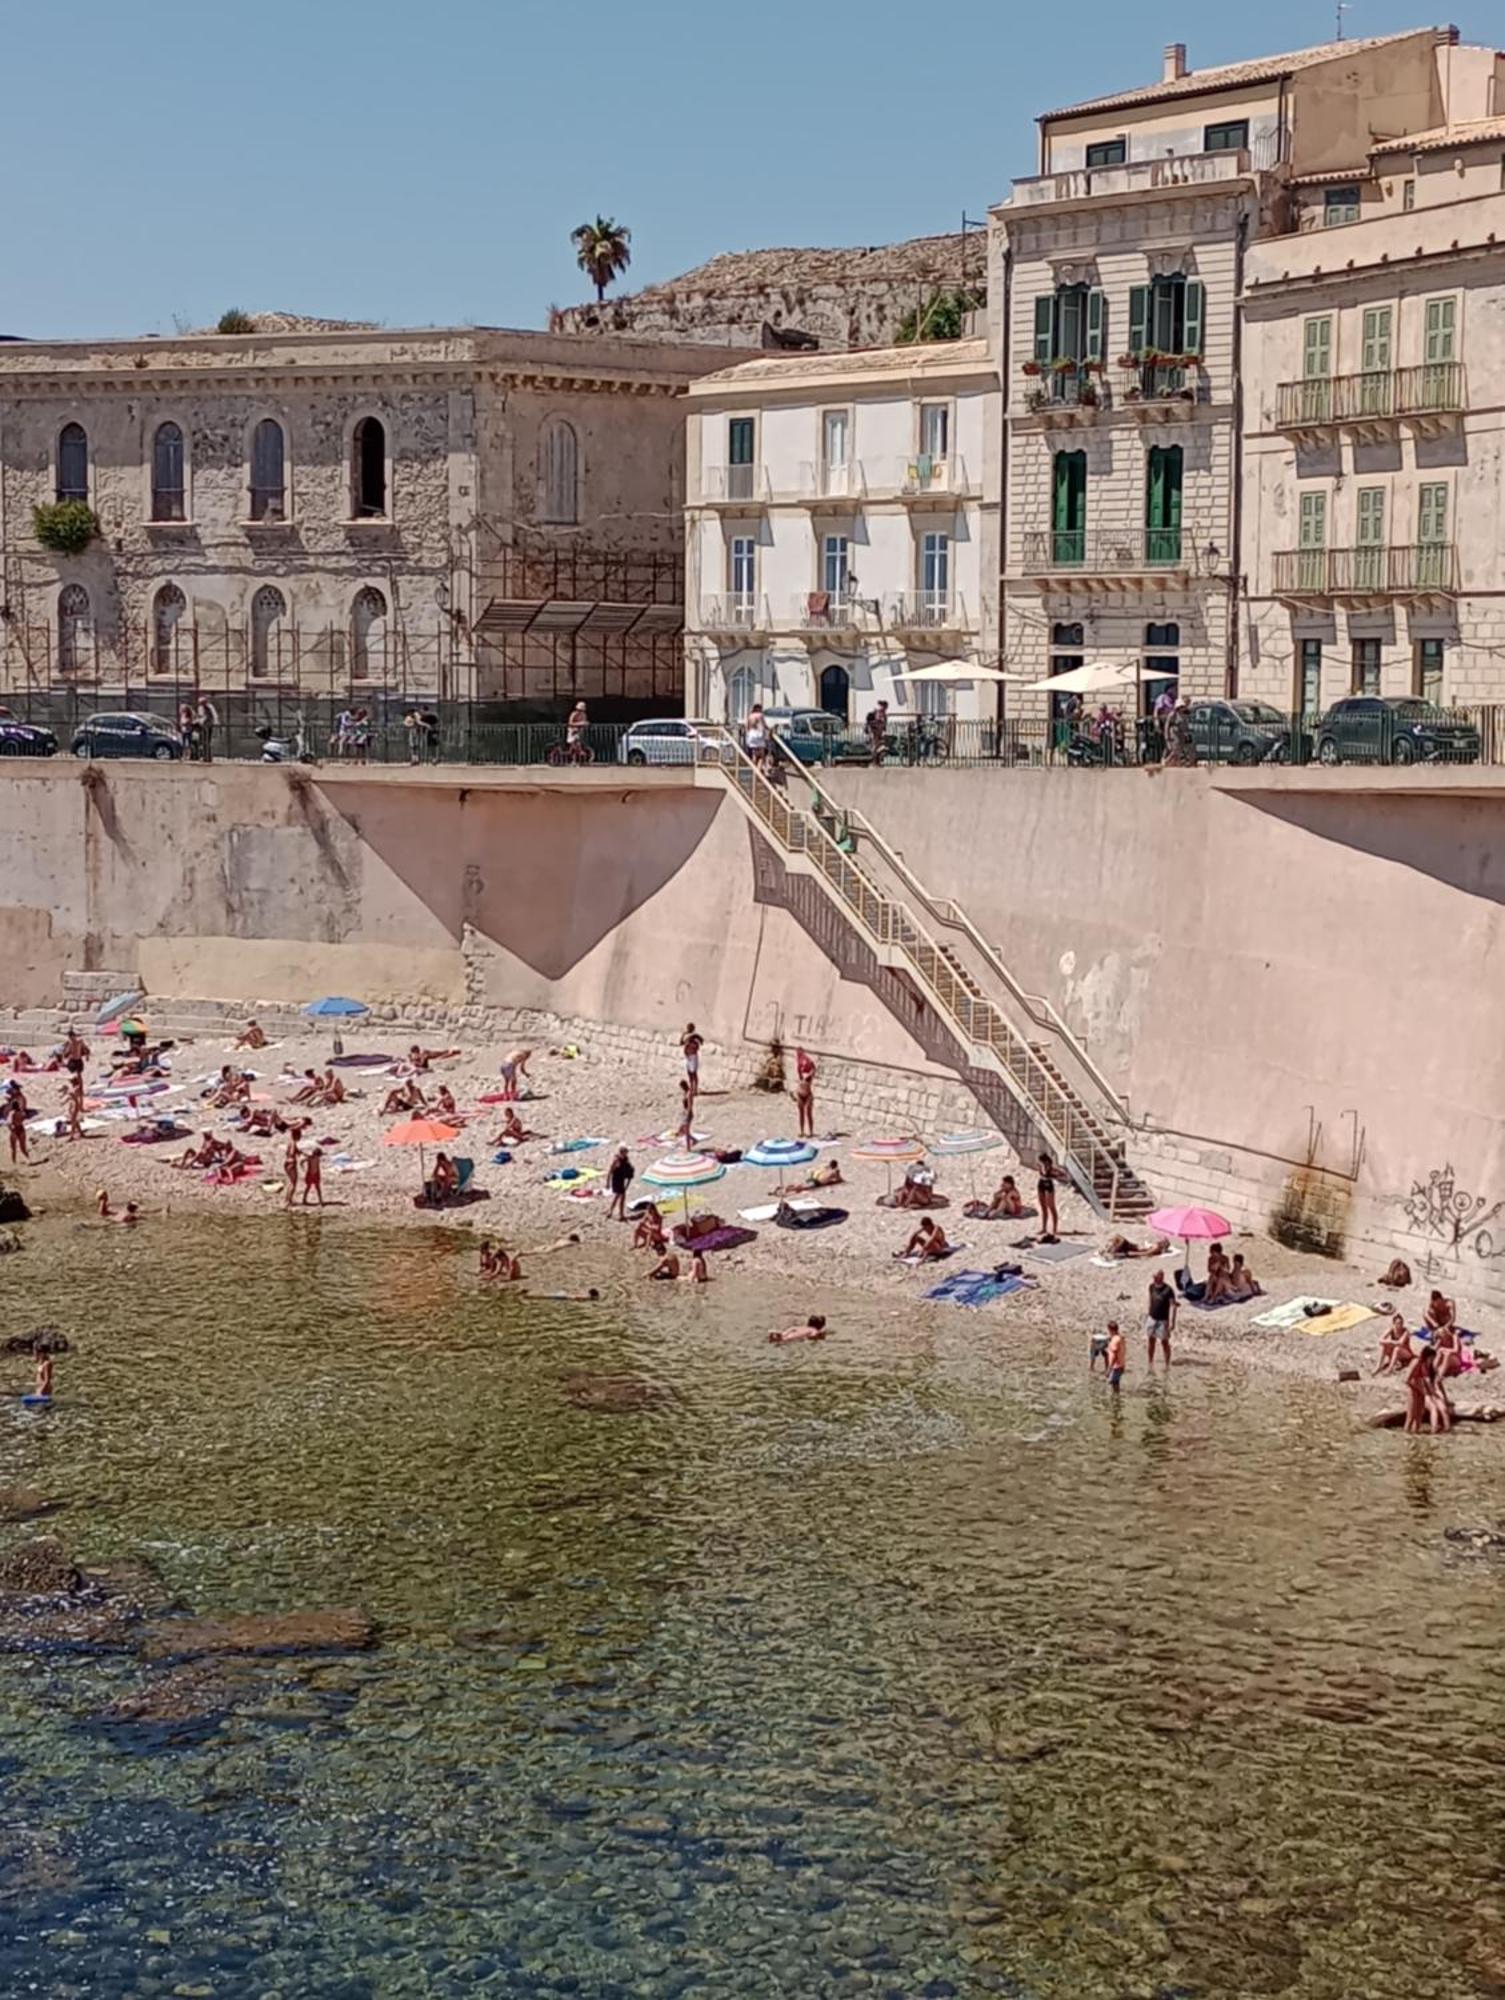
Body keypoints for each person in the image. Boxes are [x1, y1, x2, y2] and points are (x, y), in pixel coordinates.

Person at [1404, 1343, 1454, 1435]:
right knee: (1411, 1416)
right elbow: (1407, 1380)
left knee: (1419, 1416)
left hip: (1421, 1390)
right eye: (1431, 1358)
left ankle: (1415, 1435)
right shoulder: (1416, 1362)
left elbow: (1428, 1380)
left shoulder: (1425, 1366)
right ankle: (1406, 1435)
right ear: (1427, 1356)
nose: (1432, 1360)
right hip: (1413, 1390)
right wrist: (1419, 1388)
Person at [1146, 1269, 1177, 1366]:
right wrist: (1148, 1314)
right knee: (1151, 1340)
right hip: (1152, 1318)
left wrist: (1172, 1322)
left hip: (1163, 1320)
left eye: (1156, 1277)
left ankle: (1167, 1363)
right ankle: (1150, 1362)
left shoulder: (1168, 1290)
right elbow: (1150, 1301)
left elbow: (1173, 1306)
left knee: (1164, 1342)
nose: (1154, 1279)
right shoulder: (1151, 1287)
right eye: (1154, 1277)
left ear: (1161, 1277)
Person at [1036, 1152, 1062, 1242]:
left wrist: (1055, 1174)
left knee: (1051, 1206)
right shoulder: (1041, 1167)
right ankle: (1044, 1227)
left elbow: (1058, 1174)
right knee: (1043, 1206)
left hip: (1048, 1184)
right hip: (1041, 1183)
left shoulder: (1049, 1167)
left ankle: (1054, 1228)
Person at [606, 1146, 635, 1222]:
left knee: (619, 1196)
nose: (626, 1154)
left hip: (622, 1179)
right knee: (621, 1196)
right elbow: (610, 1171)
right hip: (617, 1180)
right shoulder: (616, 1161)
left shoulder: (625, 1160)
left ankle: (612, 1211)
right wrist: (608, 1183)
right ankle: (619, 1214)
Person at [795, 1047, 816, 1139]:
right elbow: (799, 1074)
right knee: (801, 1113)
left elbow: (814, 1069)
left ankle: (810, 1131)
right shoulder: (799, 1065)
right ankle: (801, 1131)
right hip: (800, 1092)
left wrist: (808, 1075)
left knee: (808, 1112)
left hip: (807, 1094)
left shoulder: (809, 1068)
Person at [742, 704, 770, 771]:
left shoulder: (750, 716)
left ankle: (753, 770)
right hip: (758, 735)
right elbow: (764, 725)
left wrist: (747, 735)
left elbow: (746, 726)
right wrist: (769, 729)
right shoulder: (760, 715)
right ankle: (757, 771)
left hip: (751, 735)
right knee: (761, 756)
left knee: (754, 754)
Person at [681, 1024, 703, 1107]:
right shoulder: (687, 1036)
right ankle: (691, 1088)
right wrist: (684, 1035)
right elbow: (681, 1043)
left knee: (694, 1073)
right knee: (689, 1073)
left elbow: (698, 1045)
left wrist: (691, 1045)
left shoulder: (694, 1037)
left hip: (693, 1057)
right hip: (688, 1057)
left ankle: (695, 1089)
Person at [864, 699, 889, 767]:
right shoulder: (875, 713)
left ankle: (877, 761)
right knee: (875, 747)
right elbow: (870, 723)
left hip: (879, 732)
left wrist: (883, 731)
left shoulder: (884, 715)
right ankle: (874, 761)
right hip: (874, 732)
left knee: (880, 747)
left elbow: (884, 725)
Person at [196, 694, 219, 764]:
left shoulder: (208, 707)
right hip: (205, 725)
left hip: (207, 725)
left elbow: (212, 715)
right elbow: (201, 716)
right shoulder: (201, 708)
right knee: (205, 742)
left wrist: (215, 722)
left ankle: (207, 757)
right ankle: (206, 757)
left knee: (207, 741)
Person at [6, 1095, 29, 1166]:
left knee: (13, 1148)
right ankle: (28, 1159)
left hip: (14, 1130)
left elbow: (9, 1122)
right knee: (23, 1147)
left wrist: (11, 1129)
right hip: (21, 1129)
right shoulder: (21, 1112)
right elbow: (24, 1117)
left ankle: (14, 1162)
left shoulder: (11, 1113)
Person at [1105, 1322, 1127, 1391]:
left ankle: (1116, 1398)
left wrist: (1109, 1368)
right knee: (1116, 1382)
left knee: (1113, 1383)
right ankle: (1116, 1398)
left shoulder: (1115, 1340)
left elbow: (1114, 1355)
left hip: (1116, 1366)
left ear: (1111, 1330)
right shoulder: (1120, 1338)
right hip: (1121, 1364)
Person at [283, 1131, 301, 1207]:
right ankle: (288, 1202)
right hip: (292, 1163)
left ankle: (287, 1200)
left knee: (291, 1182)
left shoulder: (290, 1143)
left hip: (286, 1163)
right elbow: (292, 1153)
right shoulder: (293, 1143)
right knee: (293, 1183)